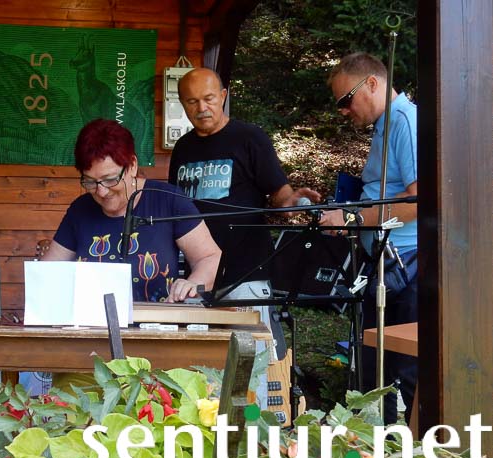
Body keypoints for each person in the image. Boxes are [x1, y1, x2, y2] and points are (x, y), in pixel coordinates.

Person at [320, 52, 418, 425]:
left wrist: (353, 217)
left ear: (372, 83)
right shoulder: (385, 125)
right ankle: (375, 441)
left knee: (400, 368)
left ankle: (410, 444)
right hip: (383, 259)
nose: (344, 111)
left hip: (405, 262)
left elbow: (418, 199)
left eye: (346, 100)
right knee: (373, 365)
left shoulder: (404, 121)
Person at [168, 67, 321, 286]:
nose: (202, 108)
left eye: (209, 99)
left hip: (247, 271)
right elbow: (176, 202)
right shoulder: (183, 147)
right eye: (192, 101)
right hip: (199, 272)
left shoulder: (249, 137)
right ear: (183, 103)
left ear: (223, 96)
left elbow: (278, 190)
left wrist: (290, 201)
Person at [43, 118, 221, 303]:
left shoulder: (168, 200)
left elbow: (210, 258)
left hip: (159, 319)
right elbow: (48, 273)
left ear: (132, 165)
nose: (101, 191)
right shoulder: (80, 210)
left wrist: (192, 284)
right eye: (90, 182)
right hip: (96, 321)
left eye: (110, 179)